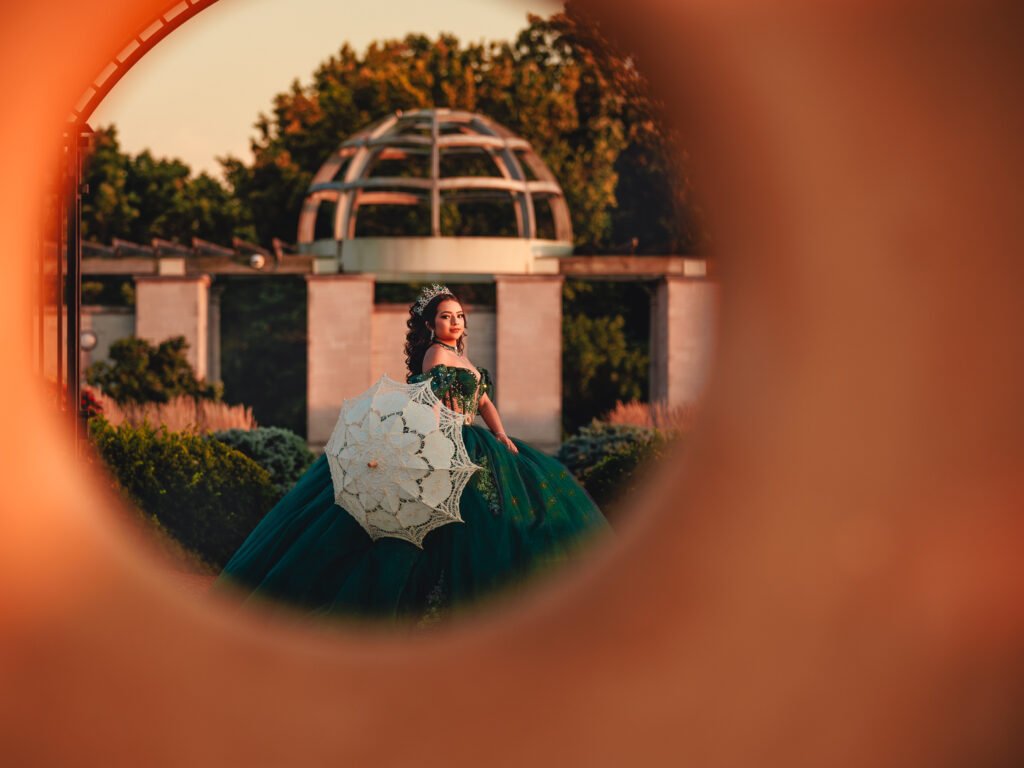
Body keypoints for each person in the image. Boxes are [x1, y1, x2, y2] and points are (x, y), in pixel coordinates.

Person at [215, 284, 608, 621]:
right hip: (449, 440)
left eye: (459, 316)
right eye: (445, 317)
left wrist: (502, 433)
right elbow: (431, 401)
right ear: (430, 324)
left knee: (499, 513)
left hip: (478, 441)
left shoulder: (464, 358)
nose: (455, 323)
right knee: (450, 520)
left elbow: (484, 402)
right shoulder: (435, 355)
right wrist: (436, 436)